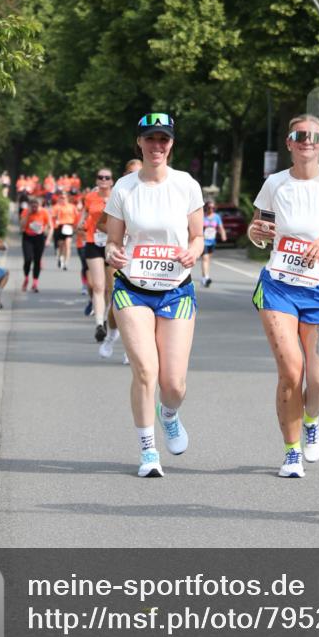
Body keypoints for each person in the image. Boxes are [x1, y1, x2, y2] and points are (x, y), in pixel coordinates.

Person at [248, 115, 319, 479]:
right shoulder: (276, 184)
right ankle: (291, 451)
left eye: (315, 136)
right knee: (292, 372)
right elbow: (257, 226)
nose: (307, 141)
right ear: (290, 143)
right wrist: (256, 232)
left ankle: (311, 420)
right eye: (299, 135)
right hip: (279, 285)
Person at [104, 113, 204, 477]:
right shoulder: (124, 188)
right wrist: (112, 253)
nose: (157, 146)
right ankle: (148, 452)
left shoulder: (186, 185)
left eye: (163, 140)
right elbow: (112, 242)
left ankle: (170, 415)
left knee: (172, 384)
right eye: (150, 139)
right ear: (140, 143)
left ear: (171, 144)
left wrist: (193, 251)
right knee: (146, 371)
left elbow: (197, 236)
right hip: (133, 289)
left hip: (176, 291)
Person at [97, 158, 143, 360]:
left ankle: (129, 348)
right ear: (125, 175)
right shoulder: (120, 194)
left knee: (139, 306)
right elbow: (100, 224)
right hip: (120, 257)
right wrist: (119, 234)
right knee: (117, 303)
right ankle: (111, 335)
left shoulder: (157, 196)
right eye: (131, 173)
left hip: (142, 261)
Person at [79, 169, 115, 341]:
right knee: (98, 286)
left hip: (112, 243)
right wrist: (81, 224)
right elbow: (86, 214)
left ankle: (109, 319)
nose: (103, 180)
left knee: (111, 288)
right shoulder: (90, 197)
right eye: (100, 177)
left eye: (107, 177)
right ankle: (99, 324)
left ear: (111, 181)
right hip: (93, 241)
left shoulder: (117, 196)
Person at [19, 196, 52, 292]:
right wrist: (28, 215)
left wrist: (47, 237)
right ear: (29, 206)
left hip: (39, 238)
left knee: (37, 261)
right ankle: (26, 278)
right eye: (32, 207)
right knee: (28, 259)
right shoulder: (26, 211)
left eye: (36, 207)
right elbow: (22, 226)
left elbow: (49, 226)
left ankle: (35, 283)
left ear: (39, 206)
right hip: (27, 237)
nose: (34, 209)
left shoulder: (44, 212)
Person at [200, 200, 227, 287]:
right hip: (203, 241)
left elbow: (221, 227)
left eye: (213, 208)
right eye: (209, 207)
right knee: (205, 259)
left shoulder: (216, 217)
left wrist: (223, 235)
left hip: (212, 241)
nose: (211, 209)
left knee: (208, 260)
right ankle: (207, 278)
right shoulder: (202, 217)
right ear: (206, 208)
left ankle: (203, 277)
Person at [52, 191, 78, 270]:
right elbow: (52, 217)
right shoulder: (57, 207)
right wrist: (55, 220)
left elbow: (77, 217)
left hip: (69, 226)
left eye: (64, 197)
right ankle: (60, 257)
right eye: (61, 197)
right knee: (61, 245)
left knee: (68, 244)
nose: (63, 199)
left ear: (67, 198)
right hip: (60, 227)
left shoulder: (72, 207)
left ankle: (66, 263)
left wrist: (75, 226)